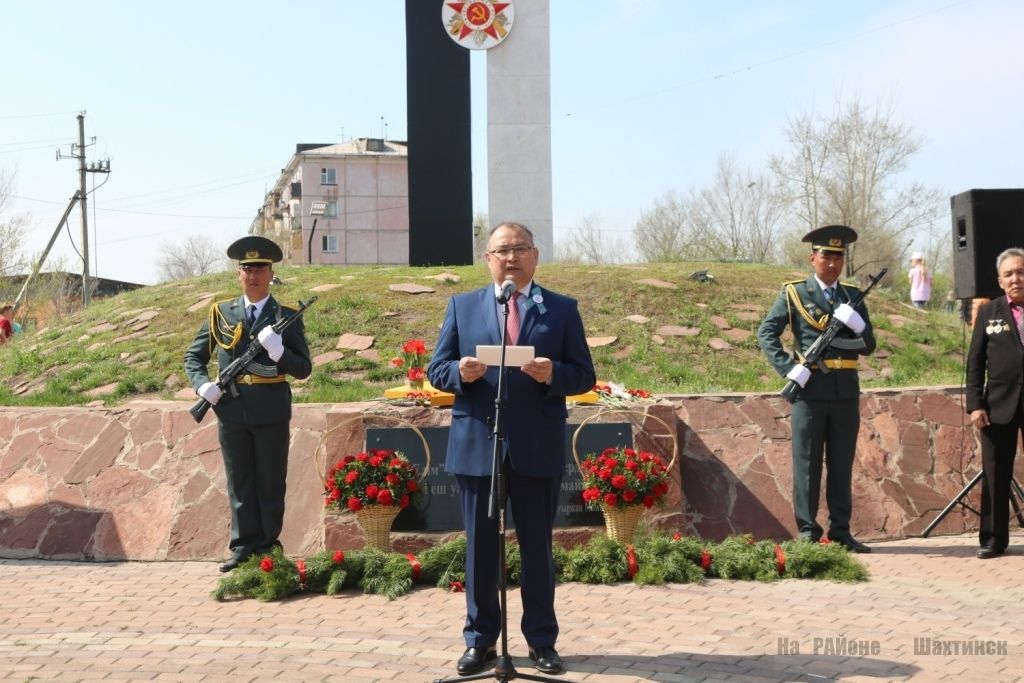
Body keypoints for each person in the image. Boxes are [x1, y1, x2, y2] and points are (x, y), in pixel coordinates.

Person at [427, 222, 596, 676]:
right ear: (488, 259)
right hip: (478, 445)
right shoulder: (463, 307)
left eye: (520, 248)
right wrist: (459, 373)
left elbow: (584, 375)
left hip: (535, 446)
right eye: (502, 250)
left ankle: (542, 641)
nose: (511, 257)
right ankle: (480, 640)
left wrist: (553, 374)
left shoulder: (560, 309)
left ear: (535, 256)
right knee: (481, 550)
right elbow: (435, 369)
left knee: (537, 549)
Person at [184, 236, 312, 572]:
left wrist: (280, 352)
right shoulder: (220, 313)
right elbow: (194, 357)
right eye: (246, 269)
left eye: (259, 269)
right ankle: (242, 548)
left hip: (270, 410)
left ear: (271, 273)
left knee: (270, 482)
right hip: (231, 409)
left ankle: (269, 547)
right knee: (239, 482)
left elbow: (303, 369)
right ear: (238, 274)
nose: (252, 275)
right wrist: (202, 387)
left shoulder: (285, 316)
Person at [757, 225, 876, 553]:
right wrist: (788, 367)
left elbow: (868, 346)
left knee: (841, 464)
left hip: (845, 392)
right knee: (807, 464)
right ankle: (808, 532)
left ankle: (841, 531)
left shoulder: (852, 296)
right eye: (827, 256)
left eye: (839, 257)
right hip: (809, 392)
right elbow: (767, 332)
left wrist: (858, 325)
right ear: (813, 258)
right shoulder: (794, 293)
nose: (833, 263)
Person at [965, 247, 1024, 559]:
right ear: (1000, 281)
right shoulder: (990, 312)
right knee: (995, 473)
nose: (1016, 278)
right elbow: (974, 362)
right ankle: (992, 539)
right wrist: (975, 404)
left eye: (1021, 272)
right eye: (1009, 274)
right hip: (998, 406)